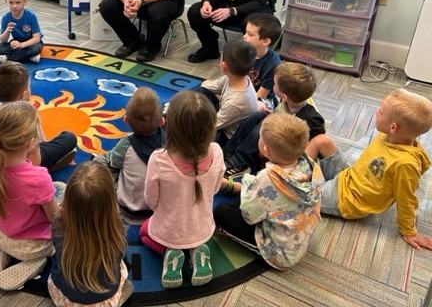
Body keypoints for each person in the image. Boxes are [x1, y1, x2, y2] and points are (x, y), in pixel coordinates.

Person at [306, 88, 432, 251]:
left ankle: (293, 182)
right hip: (348, 175)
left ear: (393, 127)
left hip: (348, 201)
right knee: (321, 140)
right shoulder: (387, 136)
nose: (376, 112)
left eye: (381, 112)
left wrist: (409, 231)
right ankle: (297, 172)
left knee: (292, 194)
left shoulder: (405, 165)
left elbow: (407, 200)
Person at [214, 113, 324, 270]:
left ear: (265, 149)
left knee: (221, 212)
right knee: (252, 192)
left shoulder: (267, 179)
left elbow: (249, 216)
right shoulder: (309, 164)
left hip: (280, 253)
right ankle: (237, 188)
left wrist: (246, 189)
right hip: (296, 235)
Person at [140, 90, 226, 289]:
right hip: (203, 228)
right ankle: (197, 250)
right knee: (192, 233)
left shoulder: (159, 159)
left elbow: (151, 200)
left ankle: (169, 252)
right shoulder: (217, 152)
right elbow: (214, 189)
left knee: (144, 232)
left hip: (169, 229)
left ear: (171, 127)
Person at [0, 101, 59, 291]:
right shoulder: (38, 178)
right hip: (33, 247)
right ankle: (35, 261)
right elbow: (54, 217)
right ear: (31, 142)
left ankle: (2, 249)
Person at [222, 61, 337, 179]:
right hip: (281, 134)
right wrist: (271, 114)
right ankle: (229, 150)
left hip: (288, 150)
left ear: (284, 96)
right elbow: (282, 116)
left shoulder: (312, 119)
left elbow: (308, 146)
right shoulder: (290, 101)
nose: (273, 85)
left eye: (275, 84)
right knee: (259, 115)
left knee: (264, 127)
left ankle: (239, 162)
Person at [48, 162, 133, 306]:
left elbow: (57, 252)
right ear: (110, 203)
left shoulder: (58, 224)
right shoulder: (116, 230)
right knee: (121, 268)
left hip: (65, 299)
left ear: (68, 200)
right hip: (104, 298)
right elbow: (119, 256)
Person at [0, 61, 77, 173]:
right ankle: (50, 165)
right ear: (23, 93)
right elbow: (37, 146)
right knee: (69, 137)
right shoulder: (28, 113)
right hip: (25, 161)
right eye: (29, 86)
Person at [93, 86, 165, 216]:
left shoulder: (126, 144)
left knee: (99, 161)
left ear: (125, 120)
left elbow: (113, 163)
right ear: (161, 121)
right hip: (158, 203)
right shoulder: (169, 142)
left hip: (128, 202)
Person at [197, 38, 258, 146]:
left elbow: (213, 125)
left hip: (227, 137)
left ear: (224, 65)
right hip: (225, 115)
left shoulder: (235, 102)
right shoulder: (236, 77)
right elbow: (208, 86)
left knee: (194, 130)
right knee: (201, 92)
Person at [0, 0, 43, 64]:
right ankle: (28, 57)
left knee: (35, 49)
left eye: (18, 3)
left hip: (31, 43)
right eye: (11, 3)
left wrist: (21, 45)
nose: (14, 6)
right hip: (16, 42)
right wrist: (7, 30)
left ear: (25, 2)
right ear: (6, 2)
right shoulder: (6, 17)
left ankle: (8, 58)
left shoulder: (31, 16)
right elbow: (3, 40)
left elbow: (36, 39)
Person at [242, 13, 282, 111]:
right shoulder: (242, 50)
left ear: (265, 42)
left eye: (250, 34)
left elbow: (261, 94)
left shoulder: (273, 64)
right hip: (241, 90)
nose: (244, 36)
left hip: (262, 98)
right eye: (246, 32)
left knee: (259, 108)